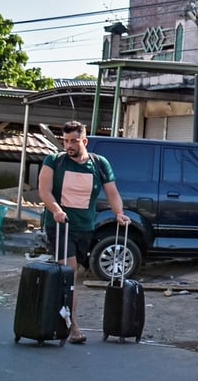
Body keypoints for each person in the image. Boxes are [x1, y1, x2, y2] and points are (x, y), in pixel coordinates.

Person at [37, 121, 129, 344]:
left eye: (74, 141)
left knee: (75, 274)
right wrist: (57, 210)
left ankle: (60, 316)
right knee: (68, 270)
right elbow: (44, 190)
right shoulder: (54, 161)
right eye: (66, 141)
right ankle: (72, 324)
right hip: (59, 224)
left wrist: (119, 213)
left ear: (84, 141)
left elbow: (112, 192)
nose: (68, 145)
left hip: (84, 227)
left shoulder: (99, 164)